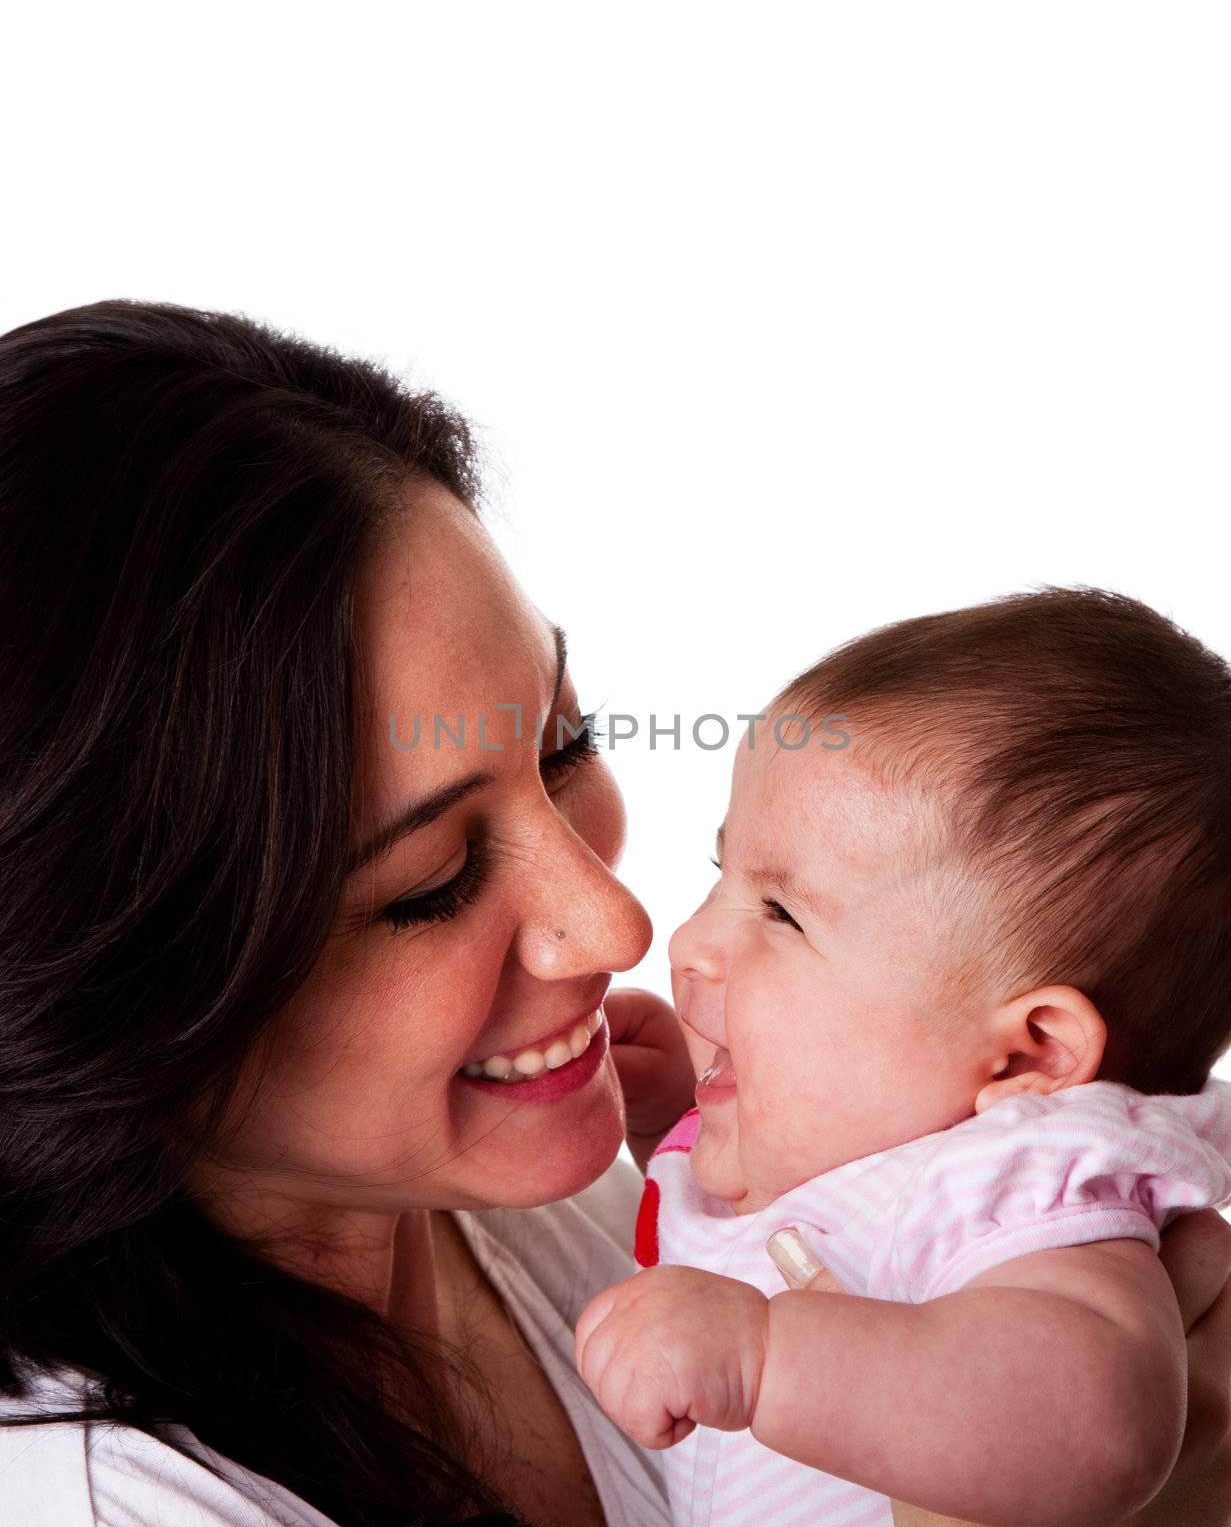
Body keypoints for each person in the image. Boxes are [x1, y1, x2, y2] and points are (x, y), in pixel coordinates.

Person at [0, 303, 1226, 1527]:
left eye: (566, 742)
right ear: (125, 1004)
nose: (621, 926)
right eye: (431, 878)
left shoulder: (567, 1203)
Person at [575, 589, 1231, 1526]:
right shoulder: (879, 1140)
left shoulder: (1009, 1182)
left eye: (782, 914)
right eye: (722, 877)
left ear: (1026, 1056)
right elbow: (798, 1226)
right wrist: (684, 1115)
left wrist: (765, 1359)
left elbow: (1094, 1427)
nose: (686, 943)